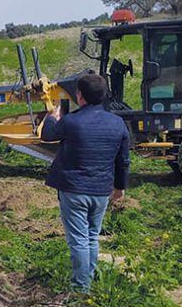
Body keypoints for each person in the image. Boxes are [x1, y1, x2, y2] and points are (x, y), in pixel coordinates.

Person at [41, 73, 131, 293]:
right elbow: (123, 160)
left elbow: (46, 134)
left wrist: (53, 116)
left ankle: (80, 289)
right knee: (92, 236)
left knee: (79, 240)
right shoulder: (117, 123)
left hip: (74, 190)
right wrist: (120, 187)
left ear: (79, 96)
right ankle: (88, 281)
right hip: (101, 191)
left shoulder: (71, 121)